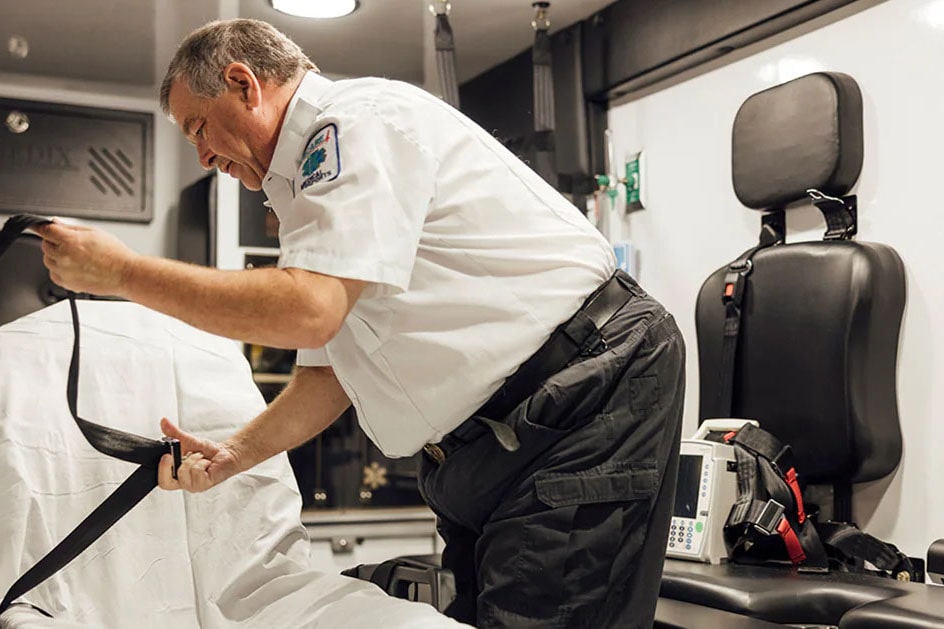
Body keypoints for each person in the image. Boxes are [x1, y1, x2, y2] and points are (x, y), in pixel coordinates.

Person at [36, 18, 685, 629]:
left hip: (586, 394)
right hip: (493, 446)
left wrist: (124, 274)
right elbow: (328, 374)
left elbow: (308, 310)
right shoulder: (298, 192)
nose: (203, 154)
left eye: (198, 127)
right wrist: (234, 454)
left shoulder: (356, 125)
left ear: (243, 84)